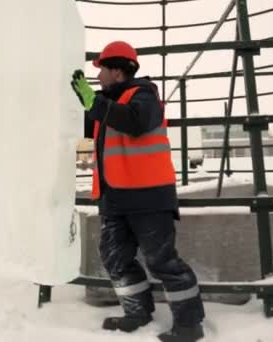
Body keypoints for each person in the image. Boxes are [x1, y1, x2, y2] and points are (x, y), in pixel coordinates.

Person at [70, 41, 205, 342]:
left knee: (162, 261)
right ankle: (137, 313)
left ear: (117, 71)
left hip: (148, 197)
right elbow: (86, 137)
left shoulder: (144, 94)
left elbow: (136, 122)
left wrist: (93, 102)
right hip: (115, 198)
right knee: (114, 258)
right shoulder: (103, 103)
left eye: (102, 69)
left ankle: (189, 324)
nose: (98, 76)